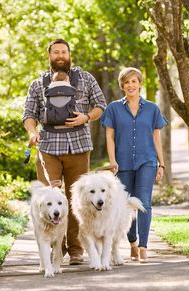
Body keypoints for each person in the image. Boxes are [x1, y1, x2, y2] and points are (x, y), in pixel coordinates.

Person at [23, 38, 106, 265]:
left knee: (78, 200)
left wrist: (86, 117)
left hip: (78, 145)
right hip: (48, 146)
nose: (60, 55)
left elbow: (101, 105)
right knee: (51, 197)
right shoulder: (37, 84)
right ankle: (55, 250)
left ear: (69, 55)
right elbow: (28, 115)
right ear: (49, 56)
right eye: (56, 52)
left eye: (64, 52)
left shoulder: (86, 78)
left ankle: (77, 249)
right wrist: (32, 132)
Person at [100, 67, 167, 263]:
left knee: (144, 202)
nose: (130, 85)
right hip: (123, 163)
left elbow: (156, 137)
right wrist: (112, 160)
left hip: (147, 160)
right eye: (127, 82)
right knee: (127, 204)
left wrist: (161, 164)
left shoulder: (153, 108)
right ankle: (132, 243)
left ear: (140, 83)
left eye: (134, 81)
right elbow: (109, 136)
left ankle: (144, 247)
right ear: (122, 86)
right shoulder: (113, 108)